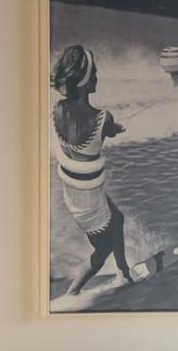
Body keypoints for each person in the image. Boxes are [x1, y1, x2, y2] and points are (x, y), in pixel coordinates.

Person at [51, 45, 133, 296]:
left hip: (74, 191)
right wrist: (116, 128)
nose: (97, 75)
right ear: (86, 81)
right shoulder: (103, 118)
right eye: (94, 72)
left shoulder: (58, 109)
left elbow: (82, 133)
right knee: (102, 251)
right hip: (89, 201)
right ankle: (72, 295)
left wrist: (111, 128)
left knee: (118, 219)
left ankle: (123, 272)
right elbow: (107, 130)